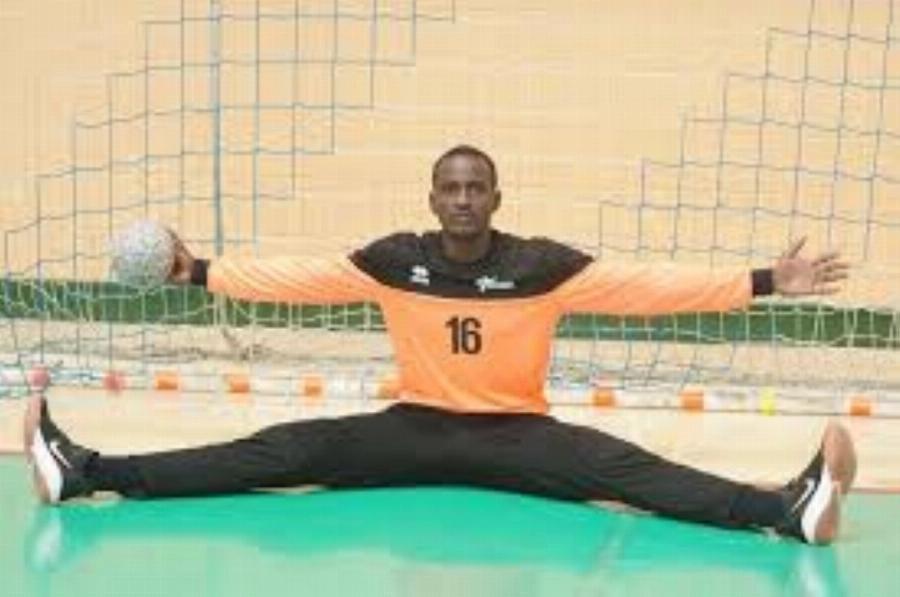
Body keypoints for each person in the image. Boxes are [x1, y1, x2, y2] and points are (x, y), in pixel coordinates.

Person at [25, 145, 856, 545]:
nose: (463, 199)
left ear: (497, 197)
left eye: (476, 188)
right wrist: (201, 271)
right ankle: (86, 472)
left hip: (517, 434)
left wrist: (763, 279)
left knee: (624, 468)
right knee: (279, 450)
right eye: (451, 188)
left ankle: (786, 509)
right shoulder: (397, 260)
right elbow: (301, 277)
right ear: (432, 197)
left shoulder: (541, 266)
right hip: (414, 427)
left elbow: (648, 288)